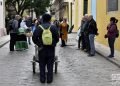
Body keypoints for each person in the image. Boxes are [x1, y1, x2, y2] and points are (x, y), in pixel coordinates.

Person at [32, 13, 59, 83]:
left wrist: (39, 44)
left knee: (42, 64)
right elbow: (57, 38)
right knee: (50, 64)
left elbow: (34, 38)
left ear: (43, 19)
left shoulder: (39, 27)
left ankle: (42, 79)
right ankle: (49, 80)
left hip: (42, 49)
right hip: (51, 49)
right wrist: (53, 43)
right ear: (50, 19)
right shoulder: (53, 27)